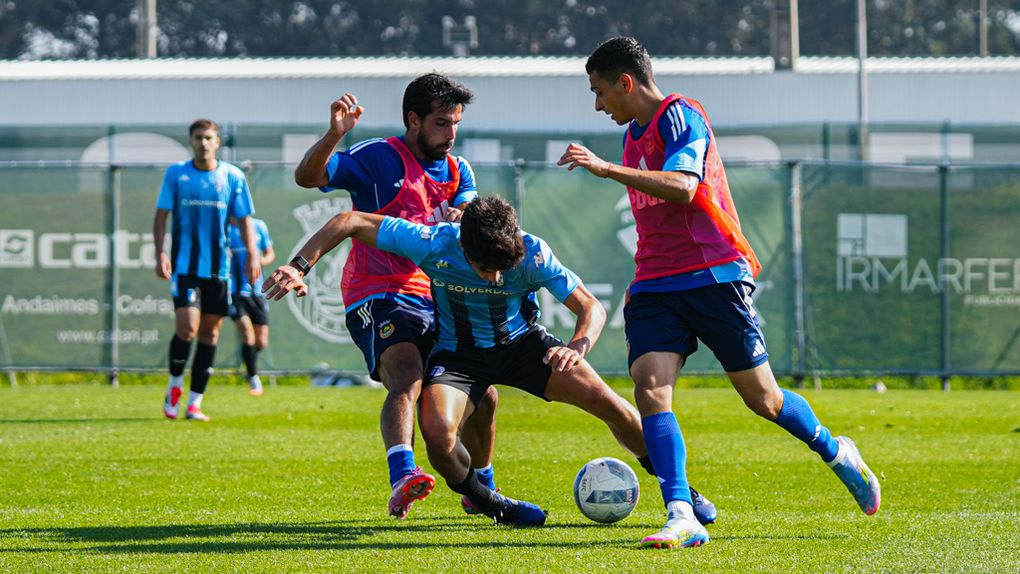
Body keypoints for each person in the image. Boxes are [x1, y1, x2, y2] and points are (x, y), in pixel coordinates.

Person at [558, 36, 881, 549]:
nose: (598, 105)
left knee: (765, 400)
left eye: (600, 92)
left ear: (626, 82)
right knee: (650, 389)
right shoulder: (632, 136)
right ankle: (681, 513)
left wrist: (604, 168)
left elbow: (686, 186)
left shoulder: (680, 115)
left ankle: (837, 451)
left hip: (714, 276)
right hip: (655, 283)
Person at [264, 196, 661, 526]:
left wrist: (577, 347)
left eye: (501, 268)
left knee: (615, 408)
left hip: (522, 346)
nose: (493, 278)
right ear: (463, 247)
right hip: (460, 355)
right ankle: (491, 504)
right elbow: (349, 220)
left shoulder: (533, 252)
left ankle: (677, 492)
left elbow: (590, 308)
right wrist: (299, 266)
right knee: (437, 434)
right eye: (484, 268)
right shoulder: (434, 242)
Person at [292, 73, 500, 519]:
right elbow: (307, 177)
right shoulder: (379, 158)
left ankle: (481, 484)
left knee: (485, 393)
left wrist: (467, 215)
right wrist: (334, 135)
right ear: (413, 119)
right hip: (377, 292)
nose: (451, 134)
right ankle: (404, 474)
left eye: (456, 123)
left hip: (436, 298)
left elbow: (468, 215)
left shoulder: (460, 170)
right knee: (407, 373)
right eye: (442, 123)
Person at [154, 118, 259, 422]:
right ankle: (175, 385)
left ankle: (195, 402)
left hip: (219, 270)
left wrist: (252, 254)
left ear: (218, 142)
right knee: (186, 328)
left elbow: (244, 219)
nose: (203, 142)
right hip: (186, 267)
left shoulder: (233, 176)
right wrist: (160, 252)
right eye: (198, 137)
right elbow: (161, 216)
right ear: (191, 141)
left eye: (209, 137)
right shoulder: (176, 174)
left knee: (210, 334)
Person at [228, 216, 275, 396]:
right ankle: (254, 380)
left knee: (260, 342)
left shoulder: (259, 225)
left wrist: (258, 261)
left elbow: (270, 253)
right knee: (246, 334)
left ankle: (248, 363)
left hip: (257, 292)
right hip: (235, 292)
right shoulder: (224, 228)